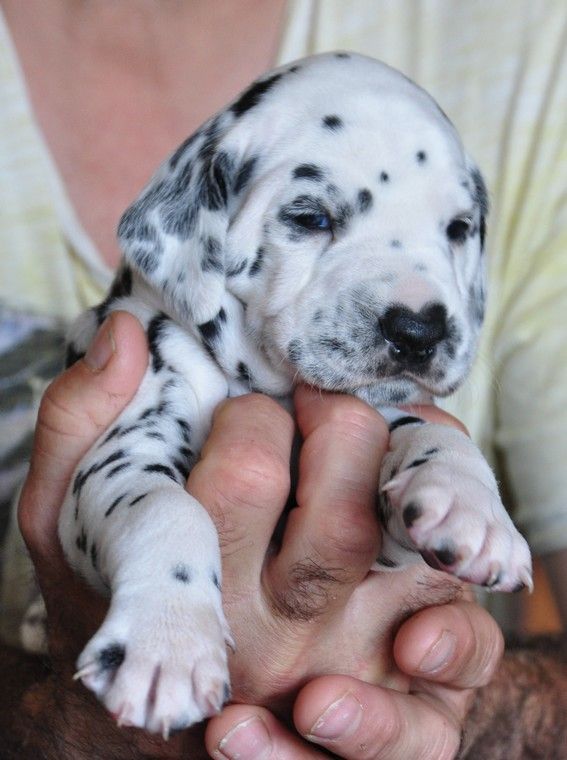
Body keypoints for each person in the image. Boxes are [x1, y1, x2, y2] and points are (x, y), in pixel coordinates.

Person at [0, 0, 566, 756]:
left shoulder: (534, 41)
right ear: (192, 231)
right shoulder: (162, 344)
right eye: (312, 218)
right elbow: (120, 482)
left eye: (454, 229)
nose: (417, 312)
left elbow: (404, 464)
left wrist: (450, 474)